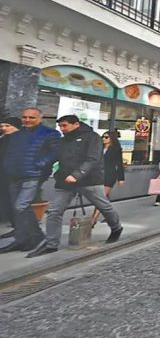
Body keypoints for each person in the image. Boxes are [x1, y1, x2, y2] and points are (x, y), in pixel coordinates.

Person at [31, 115, 124, 257]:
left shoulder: (92, 137)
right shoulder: (63, 140)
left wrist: (77, 174)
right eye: (60, 126)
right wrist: (40, 165)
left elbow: (92, 159)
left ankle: (116, 228)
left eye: (65, 125)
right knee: (54, 211)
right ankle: (51, 244)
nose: (62, 129)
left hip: (90, 180)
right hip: (65, 181)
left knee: (103, 206)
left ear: (76, 124)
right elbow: (56, 157)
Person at [0, 108, 60, 254]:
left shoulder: (50, 133)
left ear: (40, 118)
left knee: (21, 206)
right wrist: (8, 165)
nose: (27, 120)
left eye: (31, 117)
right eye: (24, 117)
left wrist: (39, 164)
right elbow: (10, 152)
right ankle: (23, 239)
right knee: (17, 208)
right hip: (14, 175)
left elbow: (56, 152)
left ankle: (34, 236)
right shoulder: (18, 134)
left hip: (32, 175)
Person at [90, 130, 124, 226]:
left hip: (109, 175)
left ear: (112, 139)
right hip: (98, 175)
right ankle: (111, 217)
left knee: (101, 197)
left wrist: (121, 178)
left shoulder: (116, 149)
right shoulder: (99, 148)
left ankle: (93, 219)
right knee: (104, 198)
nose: (104, 139)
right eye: (103, 137)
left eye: (106, 137)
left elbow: (119, 164)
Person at [0, 117, 21, 229]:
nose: (4, 128)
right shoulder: (3, 139)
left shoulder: (22, 140)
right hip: (3, 175)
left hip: (16, 175)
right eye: (2, 126)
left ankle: (18, 226)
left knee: (15, 201)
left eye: (7, 126)